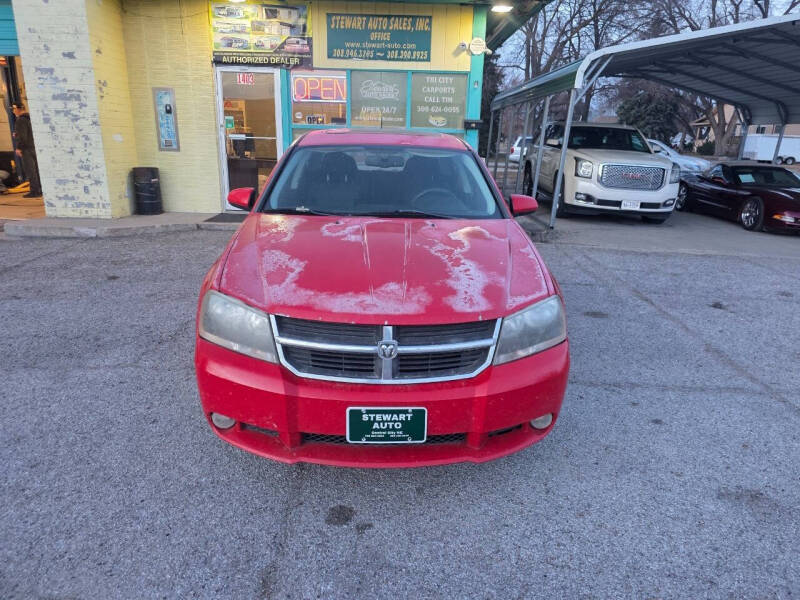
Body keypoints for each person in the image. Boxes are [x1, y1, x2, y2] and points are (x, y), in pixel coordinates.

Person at [12, 102, 41, 198]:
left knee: (30, 170)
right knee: (36, 169)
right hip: (34, 147)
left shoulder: (20, 120)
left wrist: (19, 148)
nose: (13, 111)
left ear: (18, 109)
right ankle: (40, 189)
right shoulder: (30, 118)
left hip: (26, 149)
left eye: (14, 108)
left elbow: (23, 136)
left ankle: (34, 191)